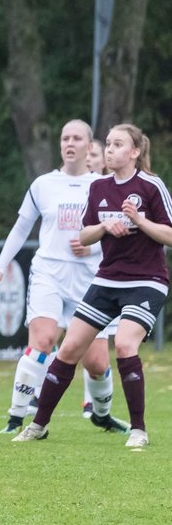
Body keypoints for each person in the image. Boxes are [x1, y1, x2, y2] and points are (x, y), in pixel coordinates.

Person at [13, 123, 172, 448]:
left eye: (117, 145)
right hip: (106, 279)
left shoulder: (151, 186)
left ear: (135, 152)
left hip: (147, 281)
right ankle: (38, 425)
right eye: (108, 144)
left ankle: (138, 430)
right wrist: (103, 227)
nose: (109, 150)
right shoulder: (99, 187)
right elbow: (83, 235)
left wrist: (140, 221)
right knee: (69, 349)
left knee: (126, 345)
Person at [0, 119, 128, 436]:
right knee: (43, 341)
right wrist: (0, 267)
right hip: (49, 273)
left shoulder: (105, 187)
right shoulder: (43, 184)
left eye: (76, 138)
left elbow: (121, 236)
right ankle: (16, 418)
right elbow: (20, 229)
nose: (69, 144)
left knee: (96, 363)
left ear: (90, 147)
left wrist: (94, 248)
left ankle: (101, 415)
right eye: (65, 138)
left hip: (90, 280)